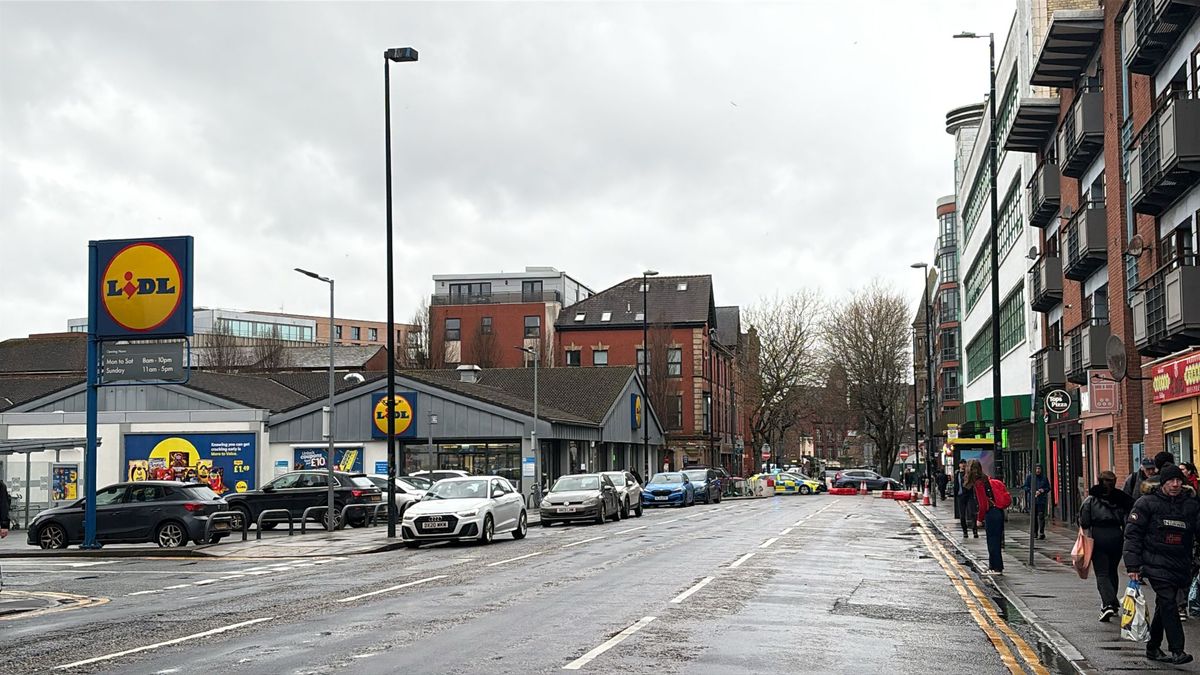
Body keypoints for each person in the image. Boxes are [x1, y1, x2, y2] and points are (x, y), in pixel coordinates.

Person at [1124, 464, 1199, 664]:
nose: (1175, 484)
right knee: (1168, 601)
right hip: (1154, 563)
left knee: (1164, 605)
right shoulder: (1146, 503)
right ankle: (1177, 650)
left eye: (1178, 480)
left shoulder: (1191, 504)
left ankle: (1153, 647)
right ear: (1162, 483)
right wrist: (1132, 566)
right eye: (1170, 481)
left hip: (1180, 563)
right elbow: (1133, 536)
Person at [1080, 471, 1134, 622]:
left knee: (1102, 573)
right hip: (1117, 536)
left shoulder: (1091, 499)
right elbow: (1127, 519)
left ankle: (1108, 604)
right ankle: (1113, 604)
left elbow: (1084, 521)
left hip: (1098, 536)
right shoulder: (1121, 499)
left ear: (1099, 481)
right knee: (1112, 571)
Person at [968, 459, 1004, 575]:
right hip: (998, 512)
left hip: (991, 514)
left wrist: (979, 519)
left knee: (992, 541)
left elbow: (983, 504)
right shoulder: (985, 479)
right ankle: (995, 566)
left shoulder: (979, 483)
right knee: (996, 540)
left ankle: (995, 568)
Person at [1023, 465, 1051, 539]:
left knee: (1041, 516)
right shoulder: (1030, 477)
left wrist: (1043, 490)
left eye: (1039, 469)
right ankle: (1035, 532)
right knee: (1034, 517)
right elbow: (1025, 486)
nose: (1038, 470)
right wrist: (1031, 491)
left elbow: (1048, 488)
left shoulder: (1044, 478)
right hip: (1033, 500)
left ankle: (1041, 532)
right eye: (1036, 469)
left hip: (1041, 500)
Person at [955, 460, 977, 539]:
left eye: (964, 463)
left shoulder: (969, 473)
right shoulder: (957, 474)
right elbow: (956, 484)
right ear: (959, 465)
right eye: (961, 464)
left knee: (972, 513)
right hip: (961, 496)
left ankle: (975, 531)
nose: (963, 465)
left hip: (969, 495)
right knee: (962, 515)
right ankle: (965, 531)